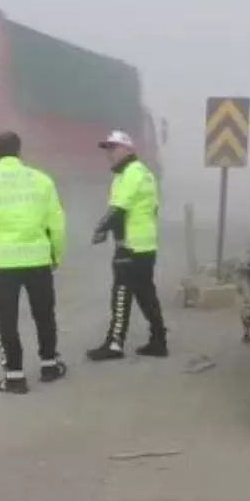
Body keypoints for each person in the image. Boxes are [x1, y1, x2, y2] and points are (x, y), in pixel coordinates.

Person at [0, 131, 68, 394]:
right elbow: (56, 222)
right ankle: (49, 365)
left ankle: (14, 377)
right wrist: (57, 254)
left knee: (7, 320)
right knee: (44, 315)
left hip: (4, 264)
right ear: (20, 152)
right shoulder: (42, 180)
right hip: (38, 261)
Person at [86, 130, 168, 361]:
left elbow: (119, 210)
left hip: (131, 246)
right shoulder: (133, 173)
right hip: (143, 245)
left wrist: (100, 228)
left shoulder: (133, 173)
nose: (110, 154)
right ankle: (158, 340)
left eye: (114, 148)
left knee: (121, 293)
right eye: (108, 149)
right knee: (145, 294)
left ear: (128, 150)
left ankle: (114, 344)